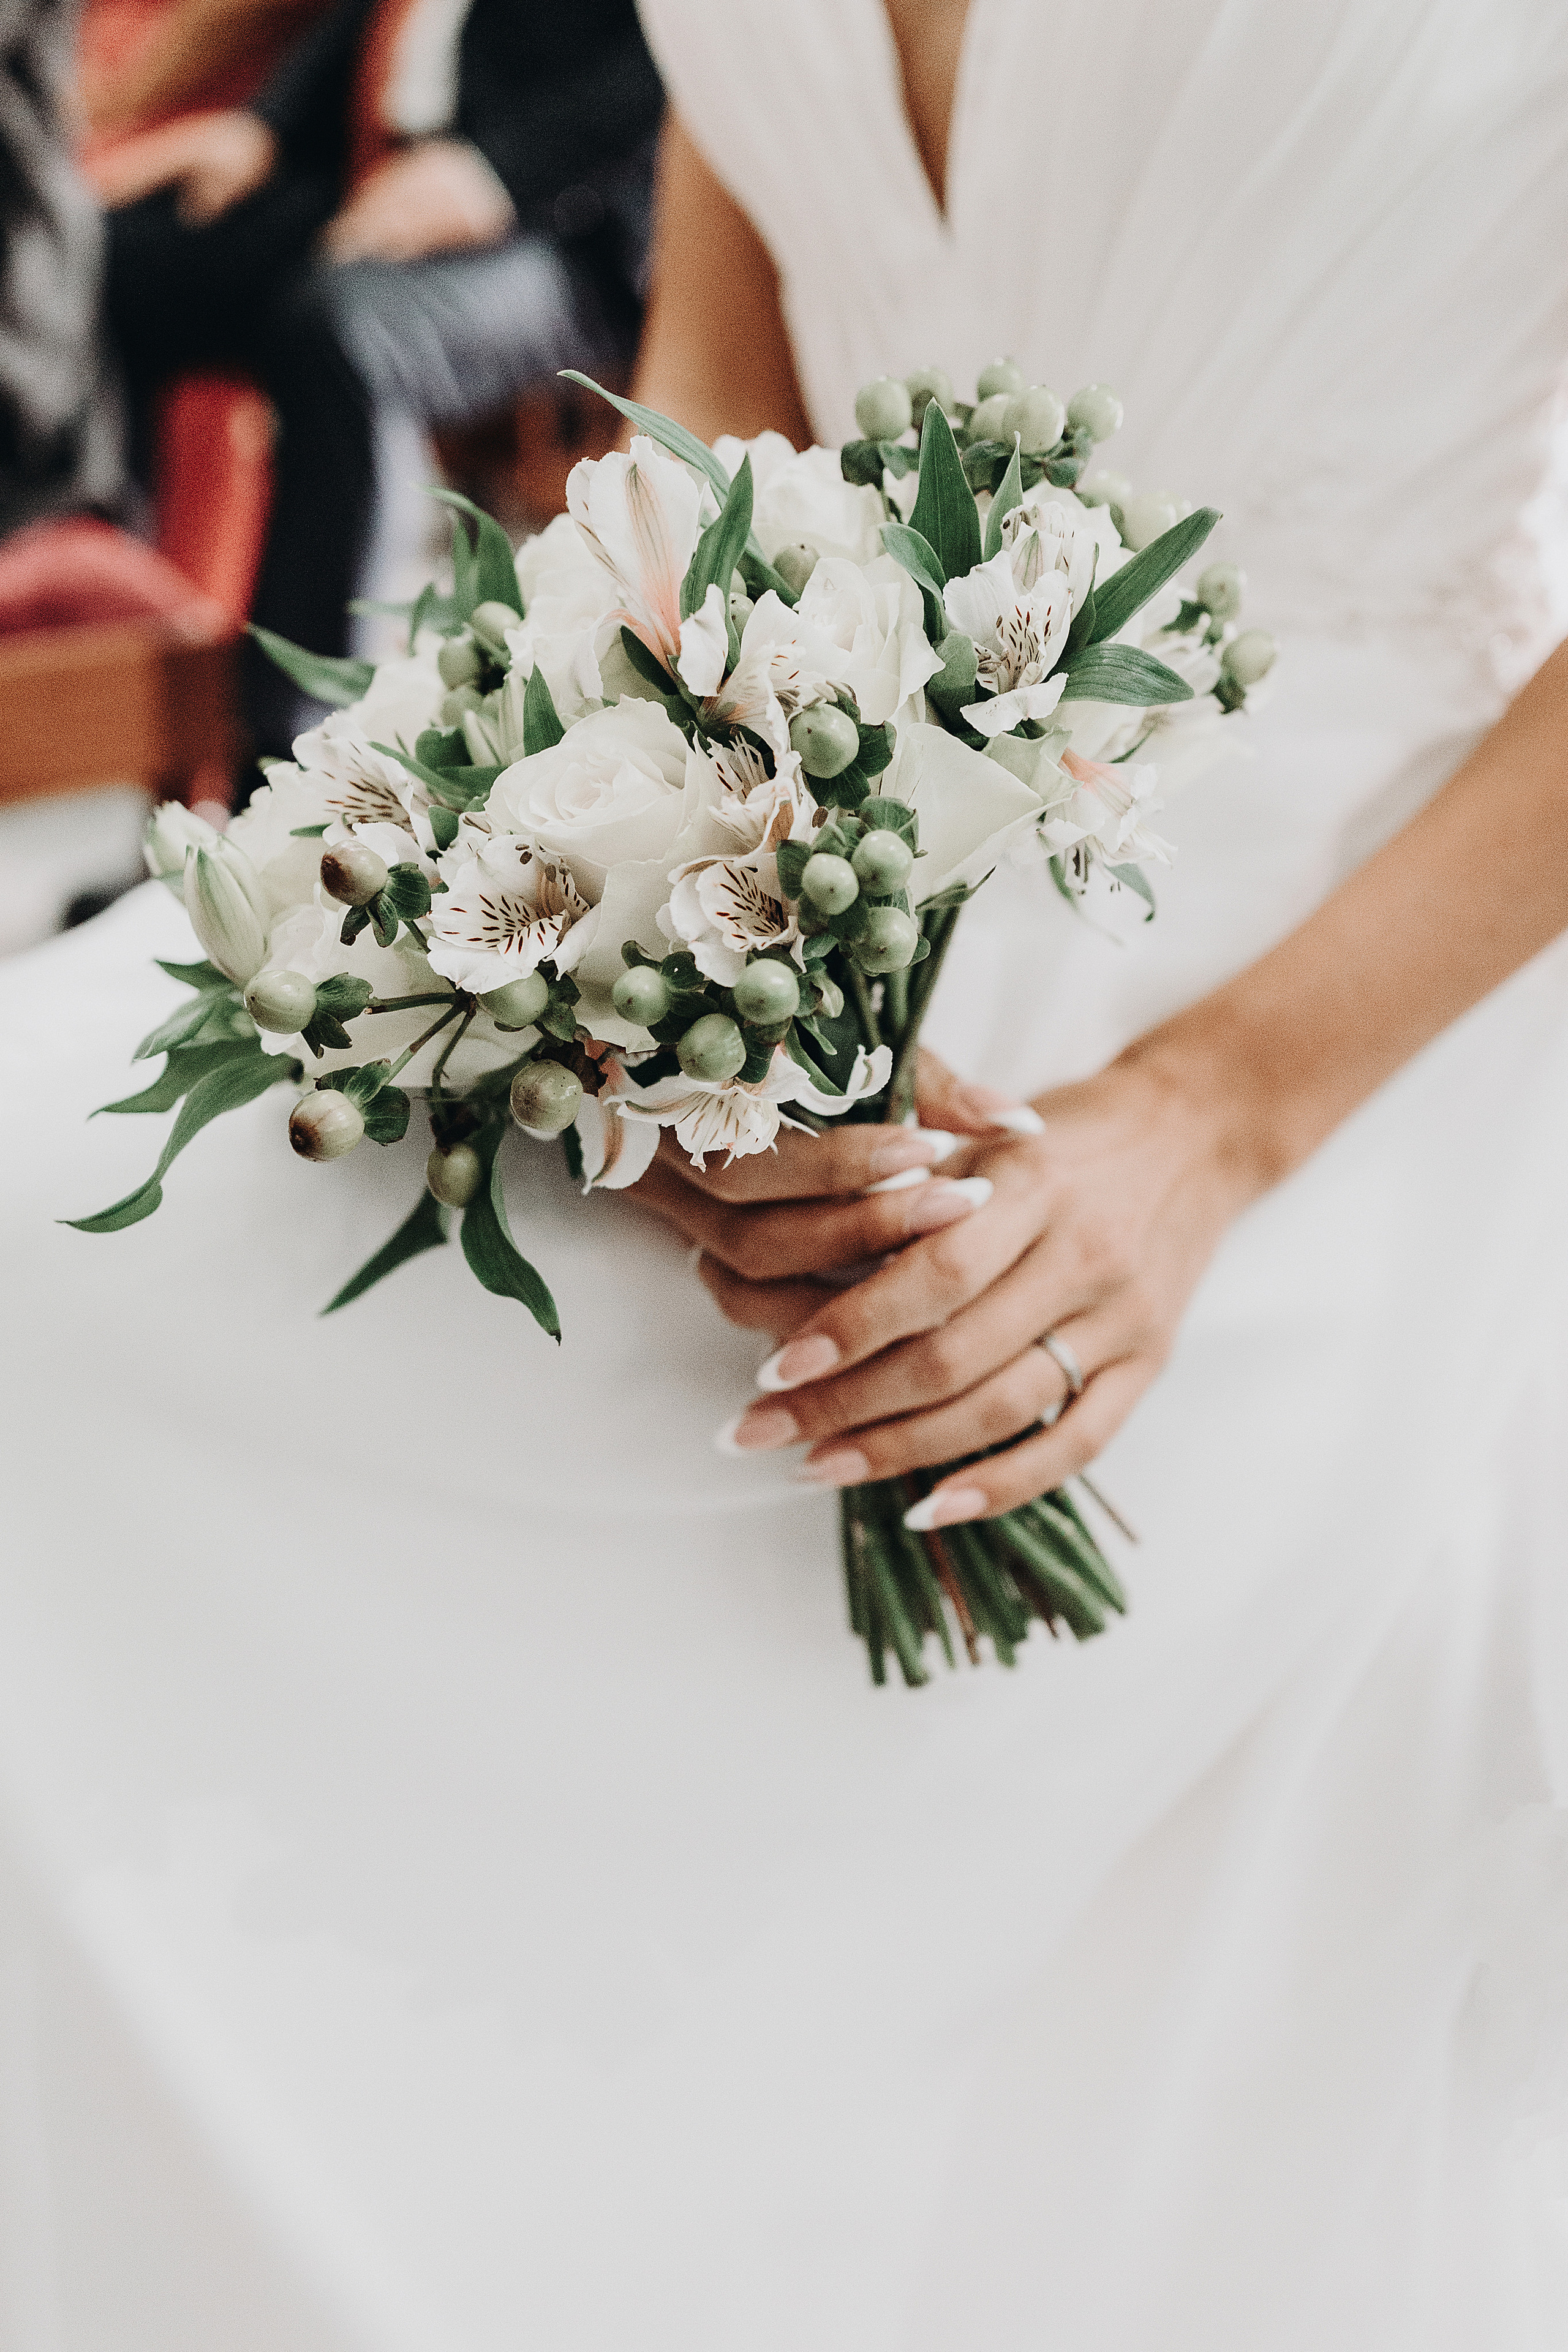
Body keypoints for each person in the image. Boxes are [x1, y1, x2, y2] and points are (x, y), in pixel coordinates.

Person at [1, 1, 1565, 2344]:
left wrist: (1202, 1120)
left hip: (1332, 962)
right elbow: (726, 397)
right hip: (801, 834)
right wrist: (654, 938)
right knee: (45, 1251)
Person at [96, 0, 663, 773]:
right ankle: (110, 641)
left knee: (344, 335)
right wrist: (264, 125)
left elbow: (665, 58)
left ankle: (302, 752)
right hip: (384, 170)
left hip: (565, 222)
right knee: (118, 265)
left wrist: (496, 175)